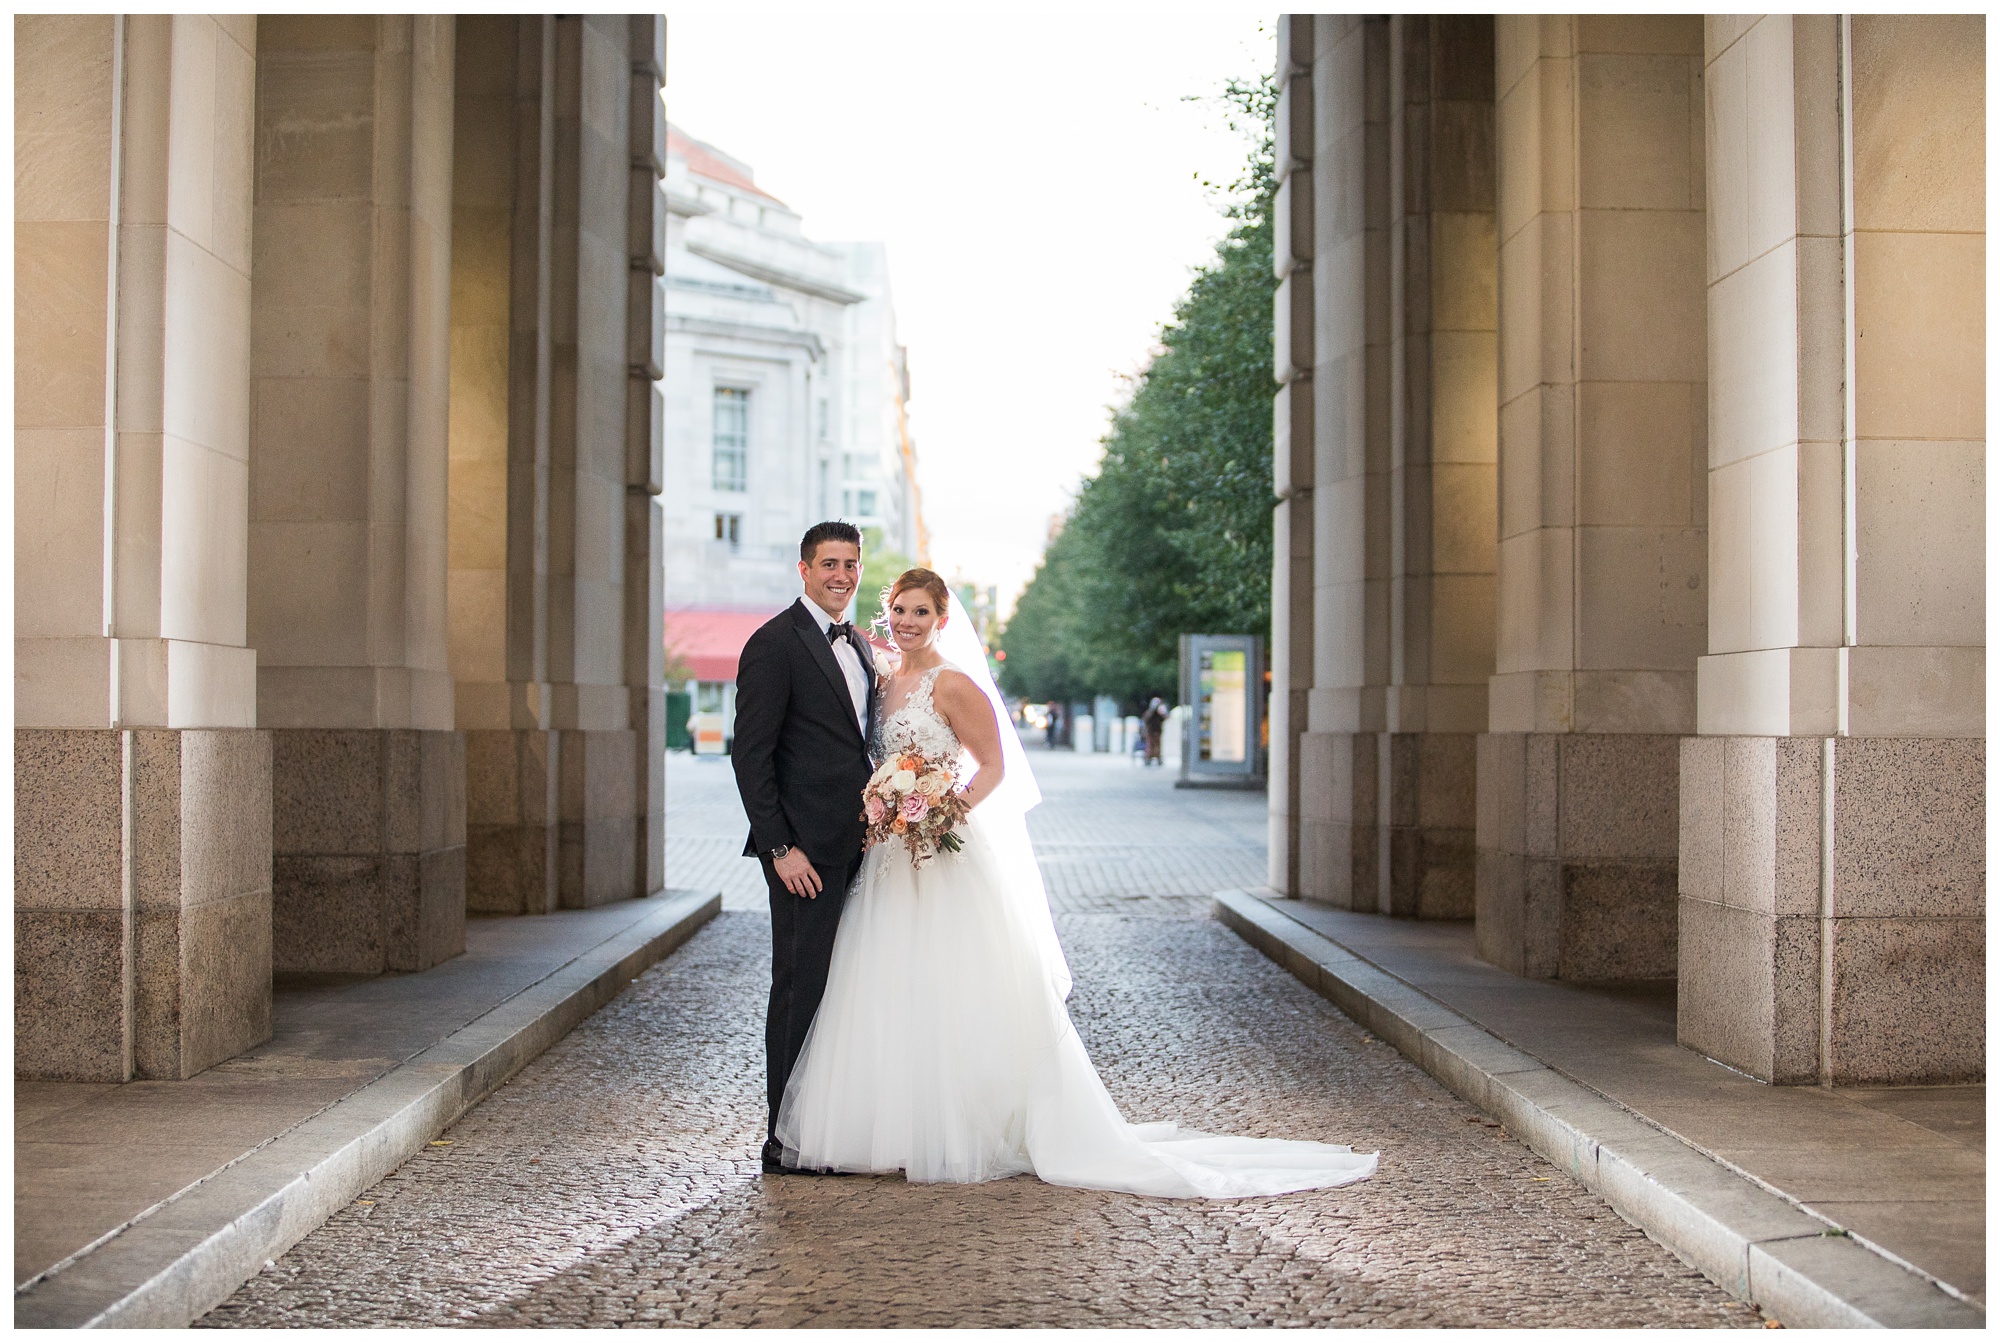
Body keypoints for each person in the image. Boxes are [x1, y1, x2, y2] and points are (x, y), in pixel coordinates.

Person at [774, 568, 1376, 1198]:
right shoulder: (883, 679)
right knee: (883, 982)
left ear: (942, 619)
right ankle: (890, 1125)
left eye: (921, 612)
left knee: (954, 981)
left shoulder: (953, 684)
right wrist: (887, 809)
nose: (907, 621)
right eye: (899, 609)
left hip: (941, 852)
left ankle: (968, 1124)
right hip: (889, 857)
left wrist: (939, 812)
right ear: (887, 613)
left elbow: (994, 767)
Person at [731, 521, 877, 1175]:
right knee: (799, 988)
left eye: (850, 563)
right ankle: (783, 1138)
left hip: (860, 847)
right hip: (802, 856)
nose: (840, 575)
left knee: (843, 991)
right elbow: (751, 756)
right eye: (828, 564)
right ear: (803, 568)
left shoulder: (864, 647)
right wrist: (779, 847)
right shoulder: (773, 643)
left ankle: (829, 1125)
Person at [1142, 696, 1168, 767]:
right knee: (1150, 745)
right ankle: (1148, 758)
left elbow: (1165, 718)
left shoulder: (1160, 713)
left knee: (1157, 746)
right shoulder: (1149, 712)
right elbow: (1146, 719)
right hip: (1150, 731)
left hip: (1157, 731)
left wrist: (1162, 712)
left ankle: (1158, 758)